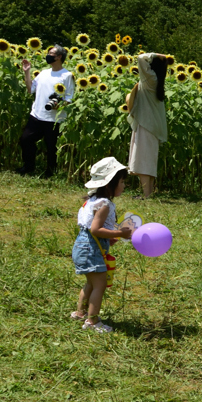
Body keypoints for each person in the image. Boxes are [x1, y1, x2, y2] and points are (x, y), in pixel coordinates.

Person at [70, 157, 134, 333]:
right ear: (110, 184)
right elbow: (96, 229)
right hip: (91, 248)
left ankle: (80, 312)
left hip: (82, 245)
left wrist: (109, 239)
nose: (123, 185)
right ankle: (93, 321)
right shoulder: (104, 204)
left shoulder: (91, 201)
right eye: (121, 181)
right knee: (100, 285)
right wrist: (120, 233)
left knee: (90, 283)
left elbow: (91, 230)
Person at [17, 44, 73, 177]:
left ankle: (50, 172)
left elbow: (69, 98)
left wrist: (58, 106)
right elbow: (31, 89)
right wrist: (27, 72)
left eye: (51, 53)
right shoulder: (43, 73)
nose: (48, 55)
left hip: (54, 119)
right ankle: (28, 166)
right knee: (25, 140)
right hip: (36, 115)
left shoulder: (67, 75)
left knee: (51, 147)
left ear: (59, 57)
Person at [127, 53, 168, 198]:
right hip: (151, 125)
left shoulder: (150, 79)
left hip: (147, 124)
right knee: (148, 160)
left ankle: (146, 195)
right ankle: (148, 193)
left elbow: (140, 58)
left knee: (143, 160)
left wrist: (156, 55)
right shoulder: (157, 81)